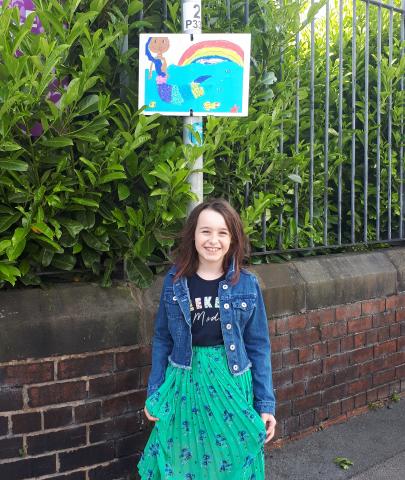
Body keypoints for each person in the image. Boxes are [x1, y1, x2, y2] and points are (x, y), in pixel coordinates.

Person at [137, 198, 276, 480]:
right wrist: (155, 391)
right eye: (206, 231)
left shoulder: (246, 284)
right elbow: (163, 339)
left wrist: (265, 404)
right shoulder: (175, 281)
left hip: (231, 381)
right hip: (184, 381)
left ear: (233, 239)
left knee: (232, 458)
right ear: (193, 235)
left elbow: (258, 346)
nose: (213, 240)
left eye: (222, 232)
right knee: (182, 459)